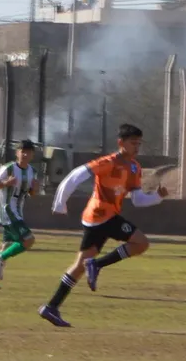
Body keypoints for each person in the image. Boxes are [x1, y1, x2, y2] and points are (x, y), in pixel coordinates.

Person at [39, 124, 168, 327]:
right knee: (141, 243)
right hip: (100, 216)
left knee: (80, 265)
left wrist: (157, 197)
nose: (137, 147)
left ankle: (51, 307)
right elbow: (75, 175)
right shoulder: (107, 162)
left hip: (104, 218)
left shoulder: (134, 167)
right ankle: (96, 266)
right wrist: (60, 203)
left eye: (139, 143)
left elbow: (138, 200)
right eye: (133, 143)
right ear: (120, 143)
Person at [0, 139, 39, 289]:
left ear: (32, 155)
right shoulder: (8, 168)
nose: (24, 154)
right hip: (8, 209)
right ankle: (0, 258)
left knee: (6, 246)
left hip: (18, 211)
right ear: (17, 153)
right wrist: (6, 183)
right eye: (22, 151)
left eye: (28, 152)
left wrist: (34, 190)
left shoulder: (32, 171)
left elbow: (30, 194)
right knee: (28, 240)